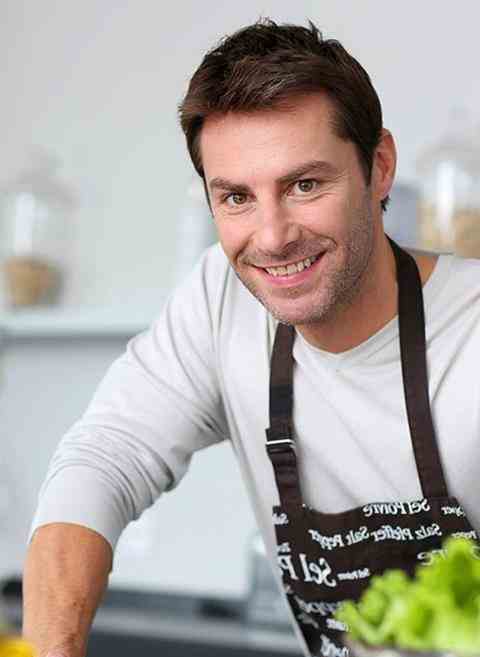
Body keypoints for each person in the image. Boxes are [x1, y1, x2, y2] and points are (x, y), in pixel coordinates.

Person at [23, 17, 480, 657]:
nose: (272, 237)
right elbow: (105, 458)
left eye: (305, 185)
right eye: (237, 197)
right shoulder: (220, 298)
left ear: (379, 167)